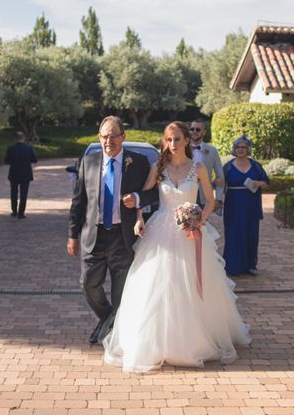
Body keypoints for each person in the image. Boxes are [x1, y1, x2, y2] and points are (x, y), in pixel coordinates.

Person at [103, 121, 251, 373]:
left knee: (191, 287)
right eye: (169, 139)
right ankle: (157, 342)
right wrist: (139, 219)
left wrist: (199, 221)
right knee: (158, 287)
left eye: (177, 139)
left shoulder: (199, 168)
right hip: (160, 232)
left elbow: (211, 200)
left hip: (191, 233)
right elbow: (144, 196)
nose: (172, 144)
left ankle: (195, 340)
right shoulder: (158, 167)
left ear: (186, 141)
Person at [67, 116, 159, 345]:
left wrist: (137, 197)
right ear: (99, 138)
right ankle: (109, 320)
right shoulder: (88, 161)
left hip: (122, 236)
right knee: (88, 283)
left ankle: (114, 332)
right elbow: (78, 201)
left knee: (121, 290)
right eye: (104, 136)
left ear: (123, 137)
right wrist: (72, 234)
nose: (109, 141)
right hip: (93, 235)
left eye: (114, 136)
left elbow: (155, 193)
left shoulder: (137, 162)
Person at [222, 135, 270, 276]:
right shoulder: (228, 167)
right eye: (238, 147)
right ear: (234, 149)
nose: (240, 150)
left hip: (251, 204)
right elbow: (219, 184)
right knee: (233, 233)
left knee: (251, 233)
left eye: (243, 147)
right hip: (233, 204)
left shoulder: (256, 166)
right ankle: (232, 265)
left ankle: (250, 265)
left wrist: (259, 183)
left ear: (248, 149)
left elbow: (267, 182)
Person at [189, 119, 224, 212]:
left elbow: (220, 177)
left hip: (203, 195)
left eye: (198, 130)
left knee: (202, 224)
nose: (194, 132)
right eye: (192, 129)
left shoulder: (212, 151)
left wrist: (218, 198)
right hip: (185, 194)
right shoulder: (182, 148)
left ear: (204, 132)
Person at [5, 131, 38, 219]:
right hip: (25, 174)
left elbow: (6, 161)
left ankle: (14, 211)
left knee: (13, 192)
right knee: (24, 194)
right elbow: (35, 160)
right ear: (23, 138)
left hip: (14, 173)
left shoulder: (11, 149)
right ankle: (21, 213)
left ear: (15, 139)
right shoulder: (29, 148)